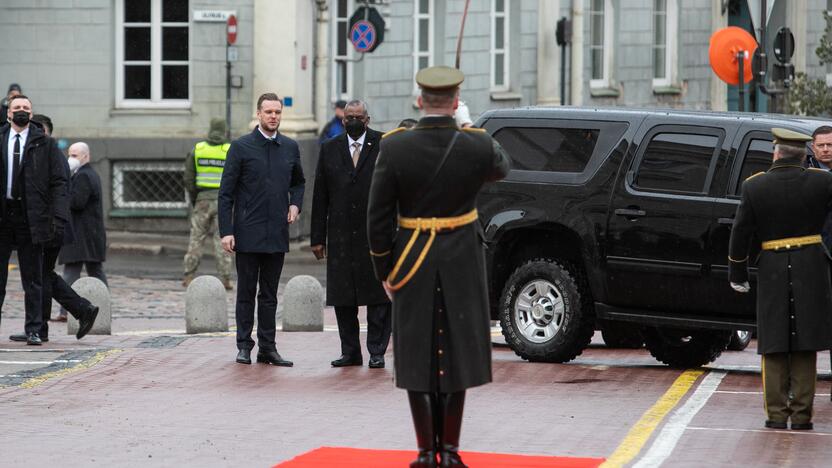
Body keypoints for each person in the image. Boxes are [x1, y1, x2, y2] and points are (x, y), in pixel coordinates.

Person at [367, 66, 510, 467]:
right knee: (457, 353)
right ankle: (449, 451)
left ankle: (426, 452)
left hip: (411, 260)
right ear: (454, 101)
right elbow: (503, 166)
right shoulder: (474, 145)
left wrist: (384, 270)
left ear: (419, 101)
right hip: (462, 260)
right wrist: (467, 123)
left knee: (416, 354)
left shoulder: (394, 147)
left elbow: (377, 218)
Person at [729, 128, 832, 431]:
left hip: (773, 264)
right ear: (805, 153)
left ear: (776, 152)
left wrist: (738, 272)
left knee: (774, 341)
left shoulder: (754, 187)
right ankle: (801, 415)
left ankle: (776, 414)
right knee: (805, 341)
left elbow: (740, 233)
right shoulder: (823, 182)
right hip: (811, 264)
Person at [218, 93, 305, 367]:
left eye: (277, 112)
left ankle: (268, 348)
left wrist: (295, 205)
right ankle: (244, 345)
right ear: (259, 114)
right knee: (246, 292)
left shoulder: (289, 147)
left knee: (269, 295)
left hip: (276, 233)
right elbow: (226, 193)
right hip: (247, 232)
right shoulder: (241, 147)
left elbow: (299, 183)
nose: (273, 117)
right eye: (268, 112)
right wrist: (226, 231)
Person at [311, 100, 392, 369]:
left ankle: (377, 351)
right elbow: (320, 195)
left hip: (376, 234)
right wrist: (317, 237)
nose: (353, 121)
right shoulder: (329, 148)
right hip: (341, 234)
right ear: (343, 120)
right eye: (349, 117)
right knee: (344, 298)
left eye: (358, 117)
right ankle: (350, 352)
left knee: (378, 298)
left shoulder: (384, 144)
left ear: (367, 120)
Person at [8, 118, 99, 341]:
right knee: (42, 275)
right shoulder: (36, 153)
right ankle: (54, 321)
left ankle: (52, 322)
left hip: (49, 227)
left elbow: (60, 191)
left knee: (40, 276)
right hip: (40, 226)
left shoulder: (48, 152)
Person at [0, 95, 69, 345]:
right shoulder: (1, 138)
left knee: (33, 278)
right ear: (8, 113)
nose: (21, 111)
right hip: (3, 217)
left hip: (31, 217)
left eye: (26, 108)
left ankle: (34, 329)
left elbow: (59, 183)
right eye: (17, 108)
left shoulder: (45, 144)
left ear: (31, 113)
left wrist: (57, 217)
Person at [57, 142, 108, 322]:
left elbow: (76, 202)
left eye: (75, 155)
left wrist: (61, 192)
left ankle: (65, 311)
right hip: (87, 235)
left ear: (86, 157)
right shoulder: (83, 174)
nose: (71, 159)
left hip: (81, 235)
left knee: (73, 272)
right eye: (70, 154)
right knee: (92, 271)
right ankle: (103, 307)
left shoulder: (84, 176)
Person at [182, 118, 234, 290]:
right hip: (224, 202)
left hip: (202, 200)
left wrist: (196, 196)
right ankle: (225, 278)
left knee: (196, 238)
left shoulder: (198, 149)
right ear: (225, 130)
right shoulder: (230, 150)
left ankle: (189, 275)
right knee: (223, 240)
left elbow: (188, 178)